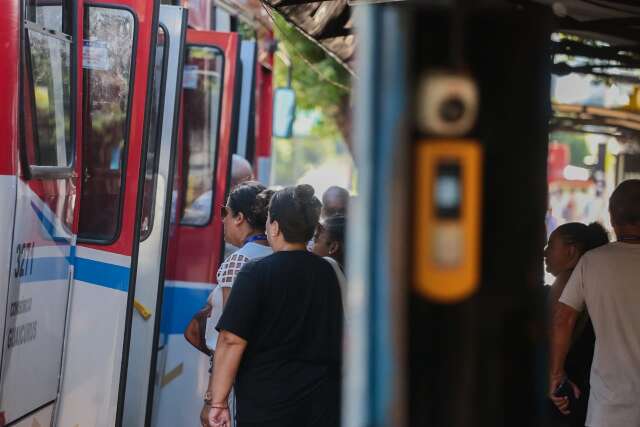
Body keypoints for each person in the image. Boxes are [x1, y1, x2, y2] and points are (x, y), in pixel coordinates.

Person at [207, 184, 343, 427]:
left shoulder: (255, 273)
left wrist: (218, 401)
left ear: (276, 227)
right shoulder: (326, 272)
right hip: (320, 405)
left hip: (267, 406)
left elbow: (231, 340)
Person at [549, 179, 640, 427]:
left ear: (611, 218)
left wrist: (556, 374)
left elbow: (563, 319)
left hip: (608, 410)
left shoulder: (592, 262)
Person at [189, 181, 273, 427]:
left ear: (239, 218)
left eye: (224, 212)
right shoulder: (279, 255)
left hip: (239, 380)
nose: (222, 220)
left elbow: (229, 337)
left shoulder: (238, 261)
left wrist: (213, 399)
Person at [544, 222, 609, 426]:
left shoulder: (566, 280)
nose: (545, 252)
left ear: (571, 250)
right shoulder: (595, 279)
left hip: (564, 389)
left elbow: (555, 328)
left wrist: (554, 374)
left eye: (551, 245)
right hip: (587, 388)